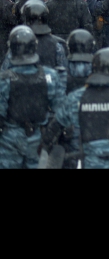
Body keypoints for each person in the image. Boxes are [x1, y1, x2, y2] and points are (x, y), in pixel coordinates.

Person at [0, 26, 63, 169]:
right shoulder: (50, 76)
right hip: (38, 137)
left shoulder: (4, 80)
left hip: (9, 138)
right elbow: (60, 113)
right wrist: (49, 137)